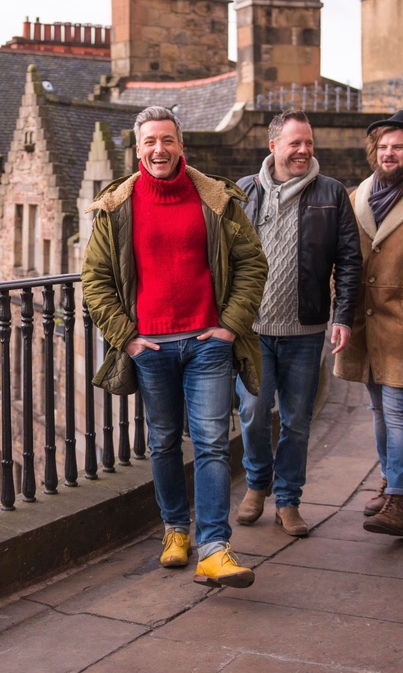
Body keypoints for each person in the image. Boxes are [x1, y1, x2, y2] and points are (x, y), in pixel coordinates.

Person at [82, 106, 267, 588]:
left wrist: (229, 325)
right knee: (163, 442)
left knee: (210, 443)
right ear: (138, 148)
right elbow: (95, 280)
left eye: (167, 140)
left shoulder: (215, 199)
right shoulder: (117, 206)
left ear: (181, 145)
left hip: (208, 342)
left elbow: (252, 263)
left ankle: (214, 548)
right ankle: (175, 530)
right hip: (151, 349)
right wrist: (128, 338)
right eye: (149, 142)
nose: (158, 150)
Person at [235, 109, 361, 536]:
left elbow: (348, 259)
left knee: (296, 421)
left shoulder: (332, 192)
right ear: (273, 147)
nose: (304, 150)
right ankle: (256, 485)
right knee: (252, 412)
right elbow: (222, 258)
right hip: (252, 331)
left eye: (309, 143)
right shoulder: (245, 192)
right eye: (295, 143)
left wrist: (342, 316)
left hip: (305, 332)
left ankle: (288, 499)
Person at [335, 110, 403, 536]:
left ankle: (399, 496)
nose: (390, 153)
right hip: (366, 325)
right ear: (373, 152)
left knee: (396, 413)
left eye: (398, 147)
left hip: (399, 326)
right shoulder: (356, 196)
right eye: (383, 146)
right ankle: (389, 482)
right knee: (378, 411)